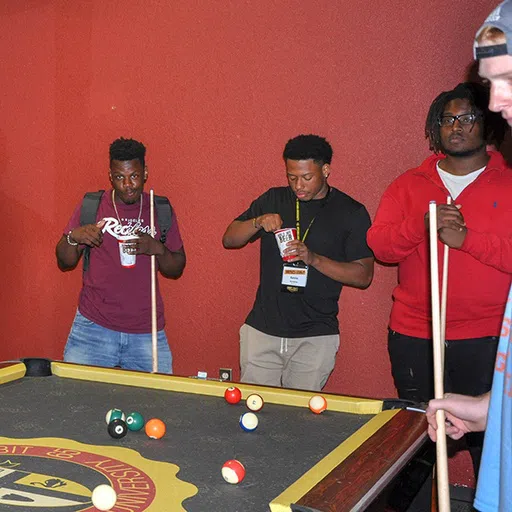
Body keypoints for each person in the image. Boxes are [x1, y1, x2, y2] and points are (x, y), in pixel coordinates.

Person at [367, 82, 511, 478]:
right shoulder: (409, 184)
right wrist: (421, 226)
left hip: (488, 337)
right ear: (436, 128)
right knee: (416, 439)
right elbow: (380, 246)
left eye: (468, 117)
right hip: (416, 333)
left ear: (489, 125)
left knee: (490, 444)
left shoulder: (509, 182)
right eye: (447, 119)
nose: (456, 126)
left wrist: (468, 241)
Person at [427, 2, 512, 510]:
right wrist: (490, 408)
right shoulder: (413, 183)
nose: (497, 100)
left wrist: (467, 241)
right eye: (490, 82)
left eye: (506, 77)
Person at [222, 134, 374, 391]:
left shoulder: (351, 212)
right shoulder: (273, 199)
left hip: (315, 336)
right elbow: (229, 238)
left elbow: (363, 275)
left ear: (326, 170)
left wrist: (313, 259)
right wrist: (257, 222)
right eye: (291, 177)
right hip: (262, 330)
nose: (298, 186)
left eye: (307, 177)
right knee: (254, 410)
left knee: (300, 422)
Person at [56, 137, 186, 373]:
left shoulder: (160, 210)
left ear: (145, 173)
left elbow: (177, 267)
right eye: (119, 177)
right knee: (75, 399)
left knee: (158, 403)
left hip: (147, 330)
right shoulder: (92, 206)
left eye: (134, 176)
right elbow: (64, 261)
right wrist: (74, 237)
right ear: (110, 175)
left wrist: (156, 248)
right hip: (92, 328)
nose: (128, 184)